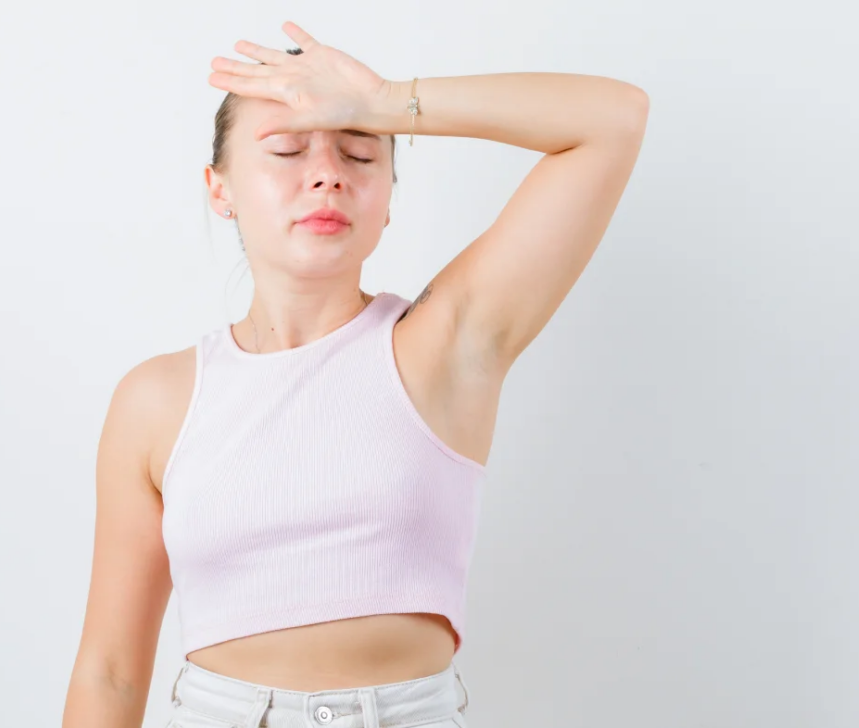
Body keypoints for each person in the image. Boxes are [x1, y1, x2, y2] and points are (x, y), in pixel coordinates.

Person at [62, 20, 649, 728]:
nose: (327, 172)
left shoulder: (442, 346)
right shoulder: (155, 401)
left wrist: (385, 101)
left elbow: (613, 120)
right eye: (286, 148)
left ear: (389, 200)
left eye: (358, 150)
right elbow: (110, 674)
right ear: (220, 190)